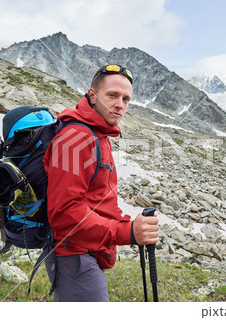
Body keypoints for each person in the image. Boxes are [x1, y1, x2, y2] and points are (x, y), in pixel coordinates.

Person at [43, 64, 159, 302]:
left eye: (126, 99)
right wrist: (126, 232)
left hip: (86, 252)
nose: (120, 105)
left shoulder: (98, 134)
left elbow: (98, 199)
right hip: (73, 256)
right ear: (93, 95)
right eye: (113, 95)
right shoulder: (75, 137)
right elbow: (64, 213)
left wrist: (130, 225)